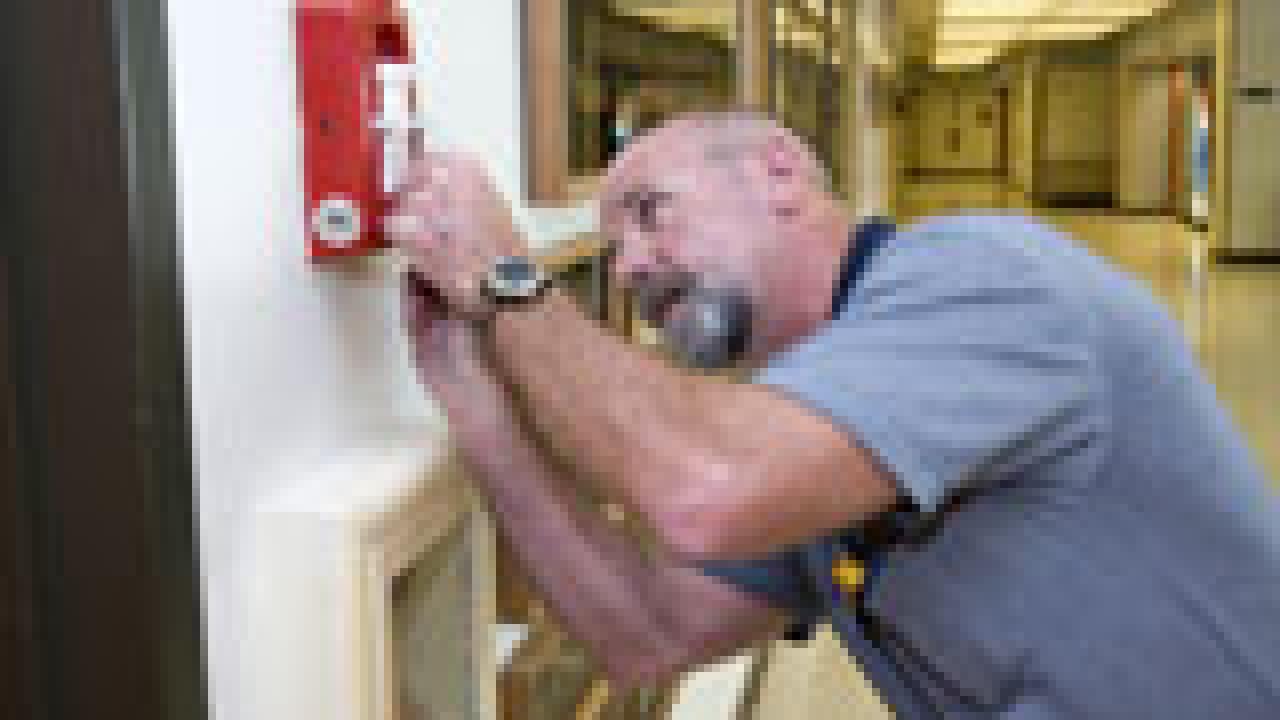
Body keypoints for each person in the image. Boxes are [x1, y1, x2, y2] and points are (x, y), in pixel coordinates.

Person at [392, 112, 1280, 718]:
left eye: (651, 213)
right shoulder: (807, 410)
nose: (628, 268)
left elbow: (705, 489)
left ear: (779, 173)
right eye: (616, 247)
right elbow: (650, 631)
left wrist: (507, 276)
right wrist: (479, 410)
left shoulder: (983, 280)